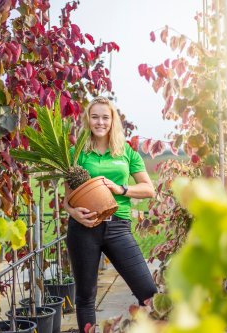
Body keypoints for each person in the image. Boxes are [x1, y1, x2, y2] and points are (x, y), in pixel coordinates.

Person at [63, 96, 158, 332]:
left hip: (118, 227)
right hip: (84, 229)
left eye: (105, 117)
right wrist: (76, 215)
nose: (100, 122)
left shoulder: (126, 152)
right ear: (88, 120)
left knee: (148, 292)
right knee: (85, 296)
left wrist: (120, 189)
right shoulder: (77, 153)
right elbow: (67, 200)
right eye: (94, 117)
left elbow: (149, 189)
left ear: (113, 120)